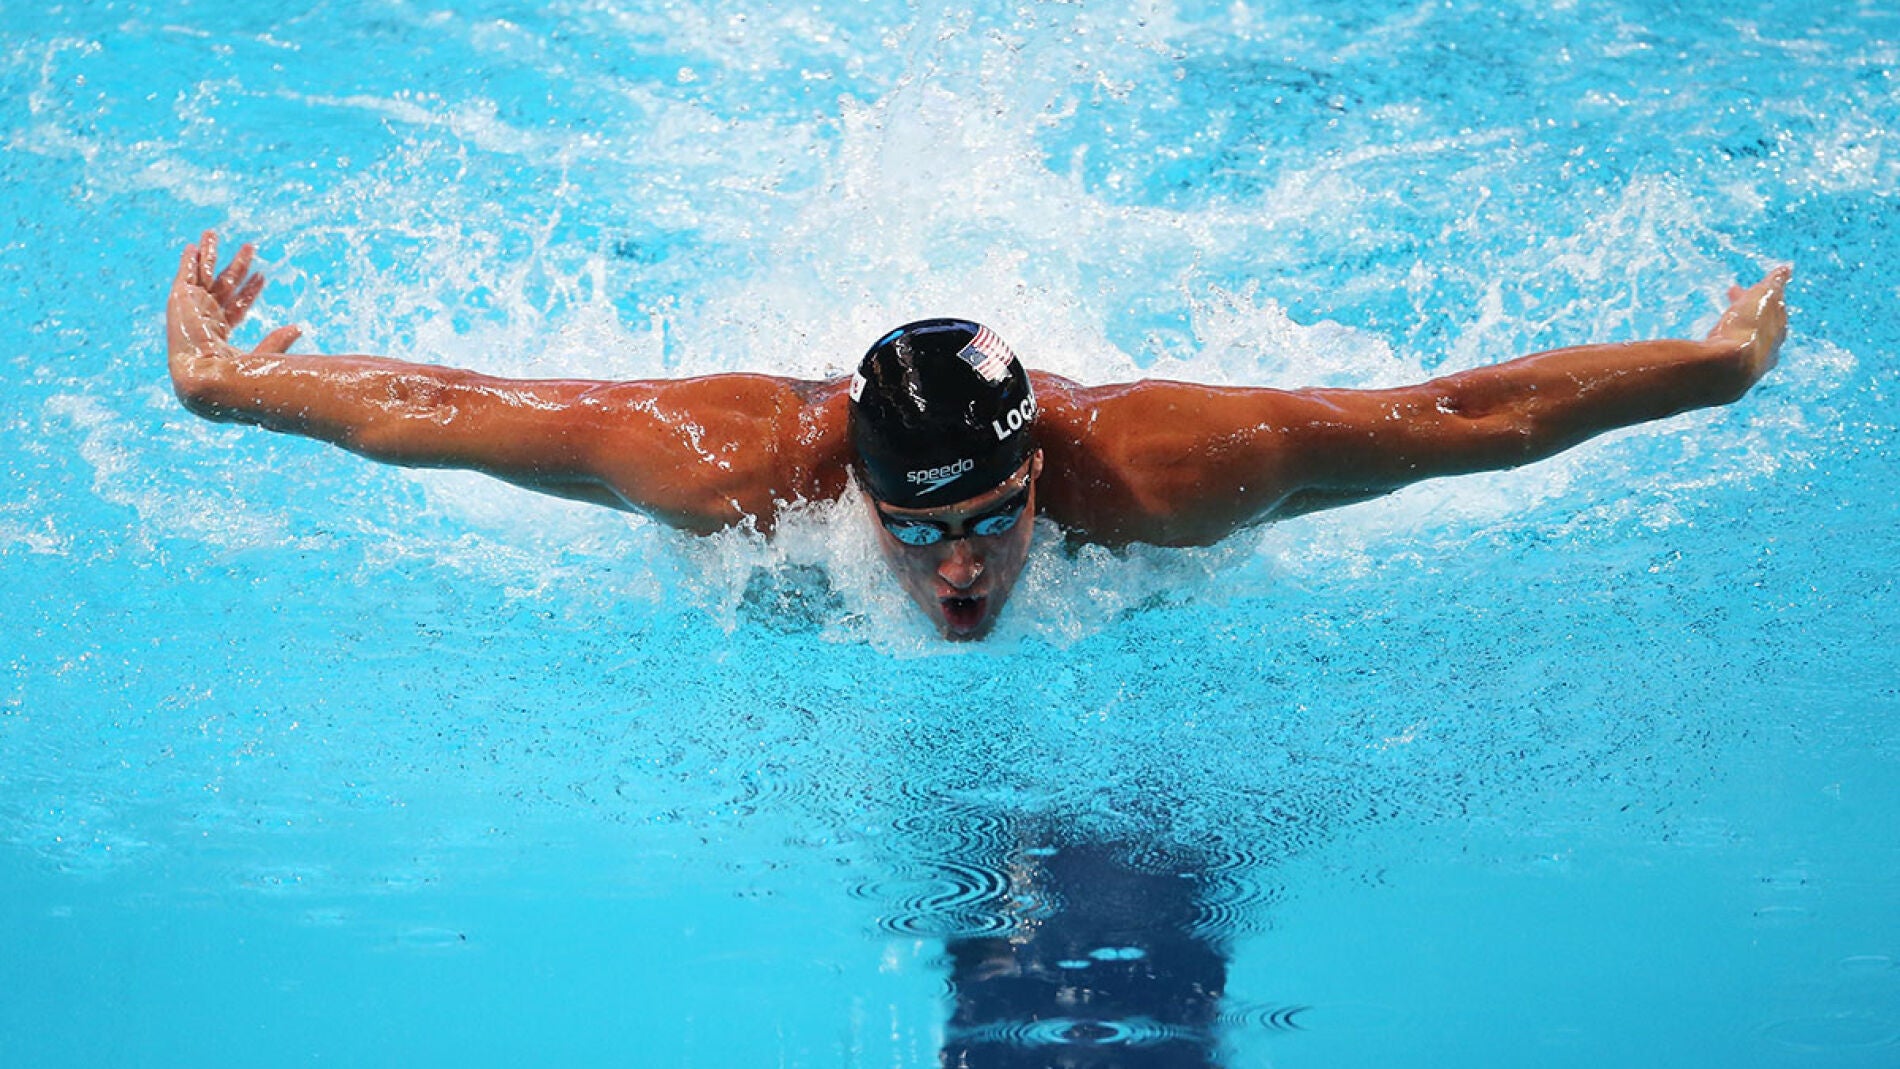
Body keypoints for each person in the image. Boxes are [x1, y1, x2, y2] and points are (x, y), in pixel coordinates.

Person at [166, 232, 1790, 640]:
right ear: (857, 490)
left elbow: (1452, 417)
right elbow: (462, 410)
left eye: (995, 517)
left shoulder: (1155, 472)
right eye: (923, 528)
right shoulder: (740, 468)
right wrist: (227, 384)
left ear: (1037, 474)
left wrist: (1706, 371)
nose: (964, 566)